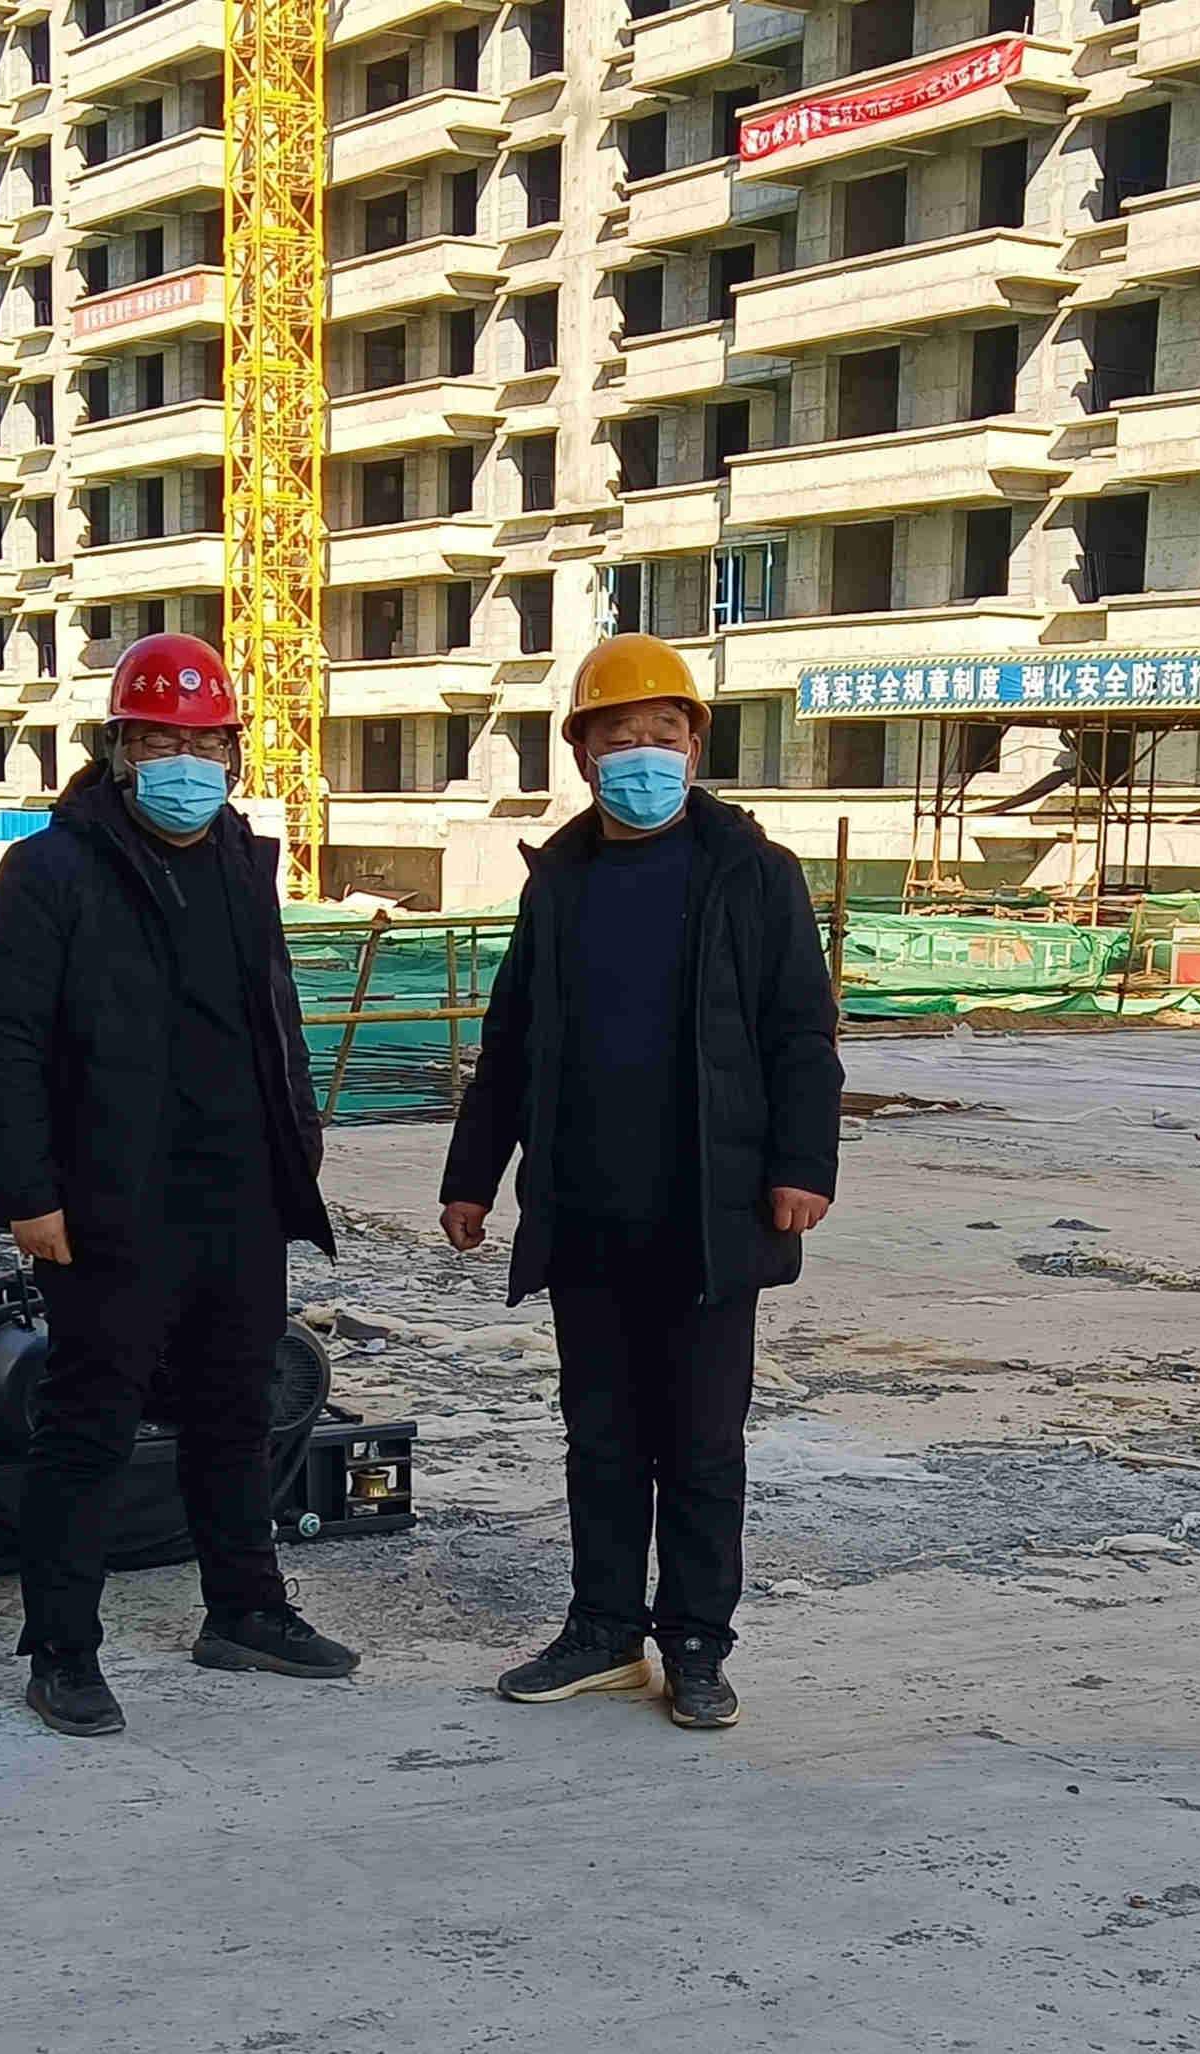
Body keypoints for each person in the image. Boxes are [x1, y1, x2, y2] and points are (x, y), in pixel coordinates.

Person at [439, 633, 843, 1732]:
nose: (644, 751)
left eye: (665, 731)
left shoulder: (752, 873)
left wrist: (803, 1164)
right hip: (585, 1209)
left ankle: (697, 1643)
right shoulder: (561, 882)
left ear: (695, 746)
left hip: (710, 1211)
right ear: (583, 754)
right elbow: (511, 1040)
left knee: (702, 1443)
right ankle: (604, 1632)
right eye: (621, 734)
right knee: (602, 1438)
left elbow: (800, 1033)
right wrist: (473, 1175)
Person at [0, 630, 354, 1737]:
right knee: (89, 1421)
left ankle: (245, 1608)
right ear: (117, 749)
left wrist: (297, 1148)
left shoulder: (241, 861)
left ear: (232, 751)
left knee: (237, 1407)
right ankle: (62, 1648)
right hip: (108, 1196)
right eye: (157, 741)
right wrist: (27, 1191)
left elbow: (275, 1018)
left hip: (240, 1187)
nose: (185, 763)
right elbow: (5, 1044)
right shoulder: (53, 872)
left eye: (206, 743)